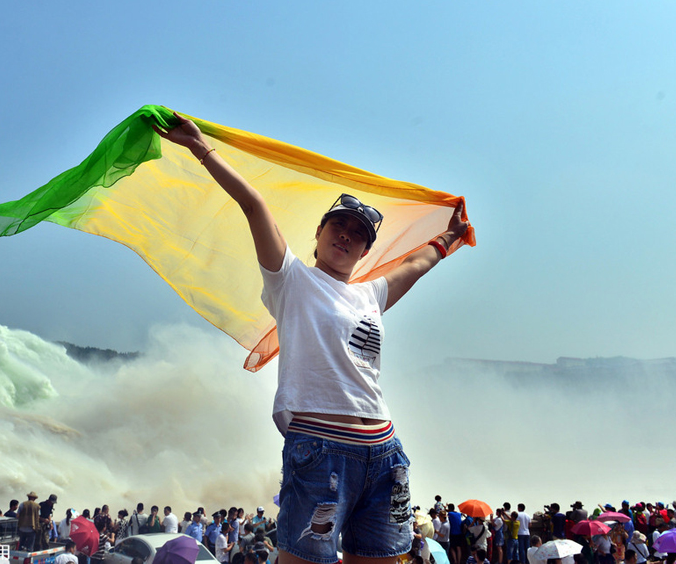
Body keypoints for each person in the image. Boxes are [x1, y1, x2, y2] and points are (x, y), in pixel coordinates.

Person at [157, 114, 469, 564]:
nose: (347, 235)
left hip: (385, 453)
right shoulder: (292, 280)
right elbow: (254, 205)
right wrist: (201, 148)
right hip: (321, 452)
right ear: (319, 233)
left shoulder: (370, 293)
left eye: (359, 235)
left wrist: (451, 236)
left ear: (365, 252)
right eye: (339, 225)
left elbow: (416, 264)